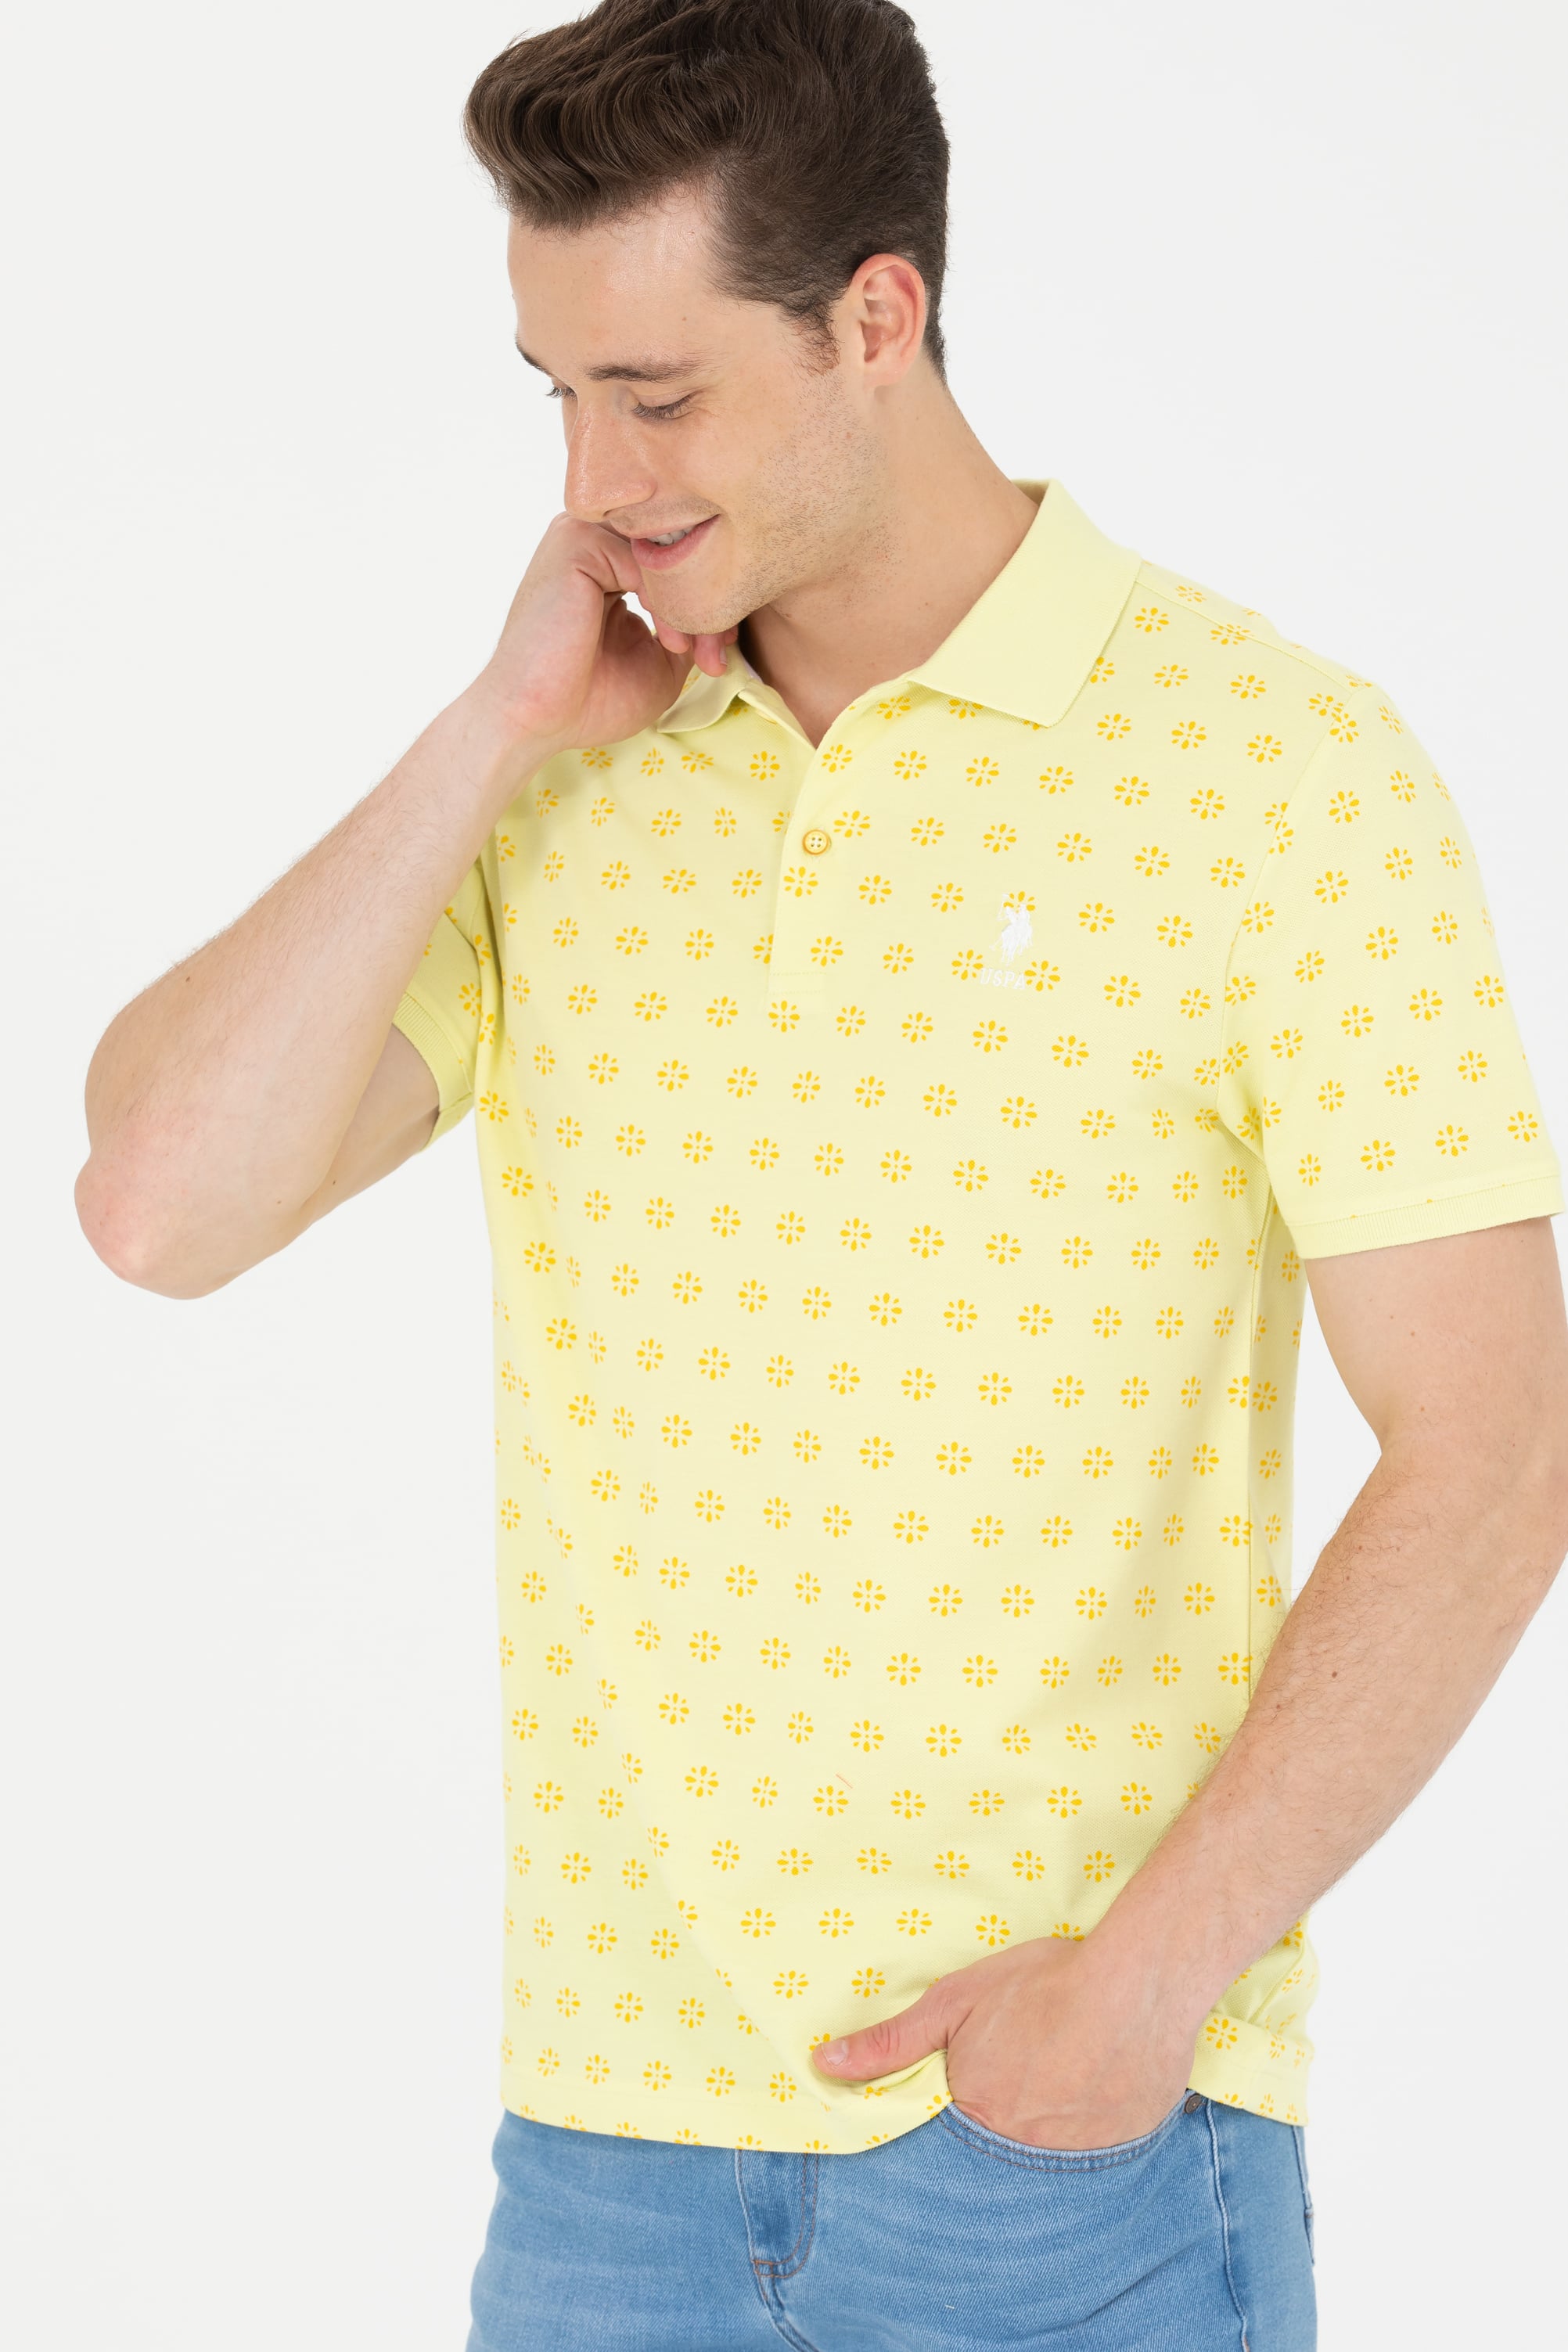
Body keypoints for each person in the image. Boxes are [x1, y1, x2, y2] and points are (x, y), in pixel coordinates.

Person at [74, 2, 1568, 2345]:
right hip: (605, 2164)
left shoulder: (1275, 774)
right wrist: (495, 723)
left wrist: (1136, 1993)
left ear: (878, 316)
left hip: (1067, 2159)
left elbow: (1497, 1447)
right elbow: (158, 1204)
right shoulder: (567, 773)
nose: (594, 477)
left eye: (656, 396)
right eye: (556, 394)